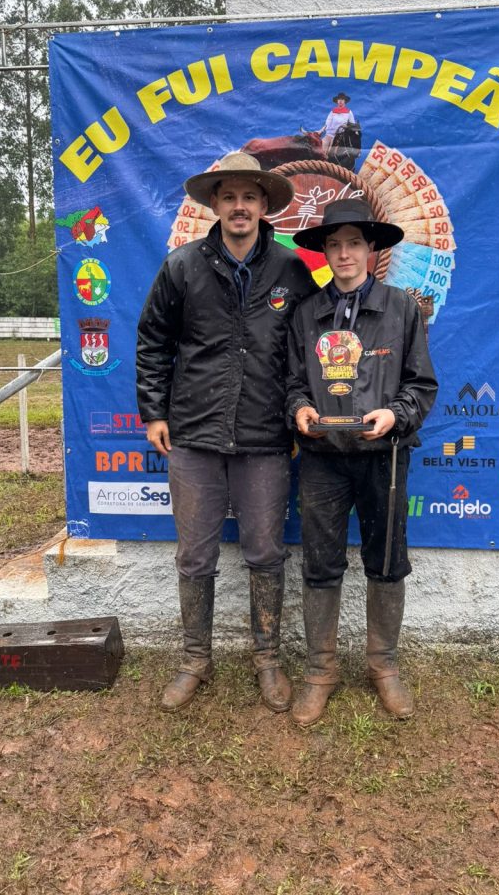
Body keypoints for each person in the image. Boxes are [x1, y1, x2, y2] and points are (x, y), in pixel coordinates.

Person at [136, 151, 318, 714]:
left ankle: (268, 659)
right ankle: (195, 660)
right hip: (193, 433)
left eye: (250, 197)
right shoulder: (182, 266)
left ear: (264, 206)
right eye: (230, 196)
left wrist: (300, 410)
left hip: (265, 435)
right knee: (195, 555)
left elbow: (308, 351)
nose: (240, 207)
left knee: (266, 551)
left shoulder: (291, 270)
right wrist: (154, 412)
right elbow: (153, 342)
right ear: (214, 203)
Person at [286, 198, 438, 727]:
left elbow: (422, 384)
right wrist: (299, 409)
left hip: (385, 457)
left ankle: (383, 666)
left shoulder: (402, 309)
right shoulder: (305, 313)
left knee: (387, 559)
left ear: (372, 250)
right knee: (319, 562)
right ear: (324, 252)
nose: (344, 253)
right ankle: (320, 672)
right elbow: (292, 383)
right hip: (322, 459)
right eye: (334, 244)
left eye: (354, 243)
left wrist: (396, 415)